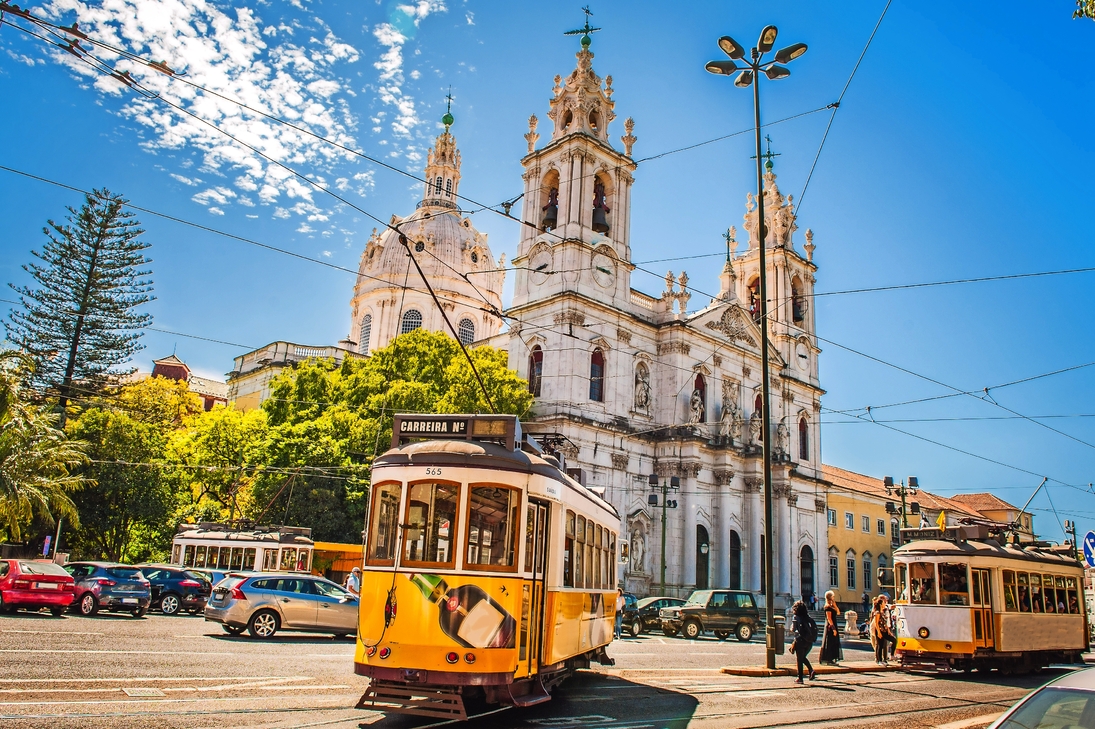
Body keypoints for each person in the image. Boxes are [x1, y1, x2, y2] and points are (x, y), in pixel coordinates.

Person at [790, 600, 816, 684]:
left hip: (800, 640)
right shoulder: (808, 617)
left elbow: (793, 629)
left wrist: (791, 628)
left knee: (799, 659)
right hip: (809, 641)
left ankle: (800, 678)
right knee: (803, 658)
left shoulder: (796, 617)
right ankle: (811, 670)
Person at [819, 591, 843, 665]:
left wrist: (835, 605)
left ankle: (832, 658)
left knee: (834, 642)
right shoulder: (827, 607)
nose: (834, 597)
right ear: (830, 597)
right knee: (830, 642)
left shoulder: (832, 606)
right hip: (830, 627)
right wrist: (833, 629)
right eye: (833, 596)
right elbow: (829, 619)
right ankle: (829, 659)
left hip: (834, 625)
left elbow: (838, 613)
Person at [870, 595, 895, 665]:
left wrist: (888, 631)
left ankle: (890, 656)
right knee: (879, 645)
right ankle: (879, 660)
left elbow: (885, 622)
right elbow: (876, 623)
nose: (885, 603)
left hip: (884, 630)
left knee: (893, 640)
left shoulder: (882, 612)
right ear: (881, 604)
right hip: (879, 630)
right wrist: (878, 632)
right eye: (884, 602)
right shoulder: (877, 612)